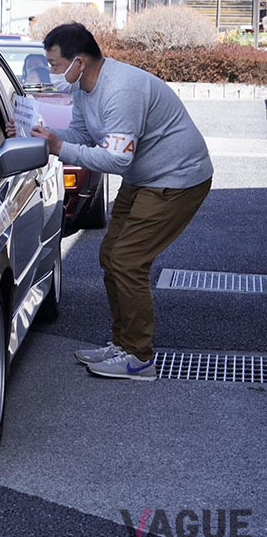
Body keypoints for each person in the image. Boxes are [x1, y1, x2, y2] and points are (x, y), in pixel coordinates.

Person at [32, 22, 212, 382]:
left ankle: (139, 357)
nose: (51, 72)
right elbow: (81, 135)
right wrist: (43, 136)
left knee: (128, 261)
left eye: (54, 64)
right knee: (110, 254)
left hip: (177, 179)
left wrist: (59, 148)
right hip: (144, 178)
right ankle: (122, 344)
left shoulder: (121, 90)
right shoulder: (85, 88)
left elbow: (116, 160)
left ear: (78, 62)